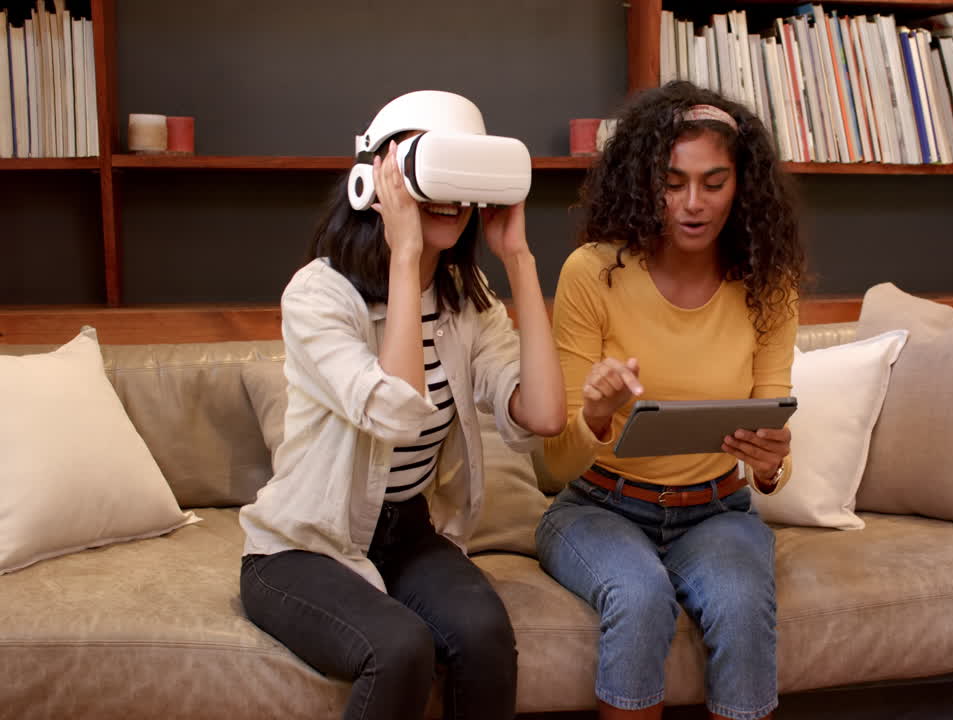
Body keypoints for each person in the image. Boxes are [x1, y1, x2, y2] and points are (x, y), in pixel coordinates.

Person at [237, 91, 565, 720]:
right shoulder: (318, 295)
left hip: (409, 533)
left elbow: (544, 416)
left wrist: (519, 259)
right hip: (302, 545)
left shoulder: (468, 299)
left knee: (486, 636)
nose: (450, 195)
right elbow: (396, 411)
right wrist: (406, 251)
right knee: (399, 647)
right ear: (376, 180)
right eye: (427, 167)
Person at [536, 81, 804, 720]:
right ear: (642, 181)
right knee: (640, 595)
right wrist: (597, 415)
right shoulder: (591, 272)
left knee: (742, 606)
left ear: (742, 187)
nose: (692, 204)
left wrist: (769, 463)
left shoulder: (770, 285)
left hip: (716, 510)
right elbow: (555, 464)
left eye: (713, 183)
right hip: (598, 506)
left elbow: (773, 452)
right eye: (672, 181)